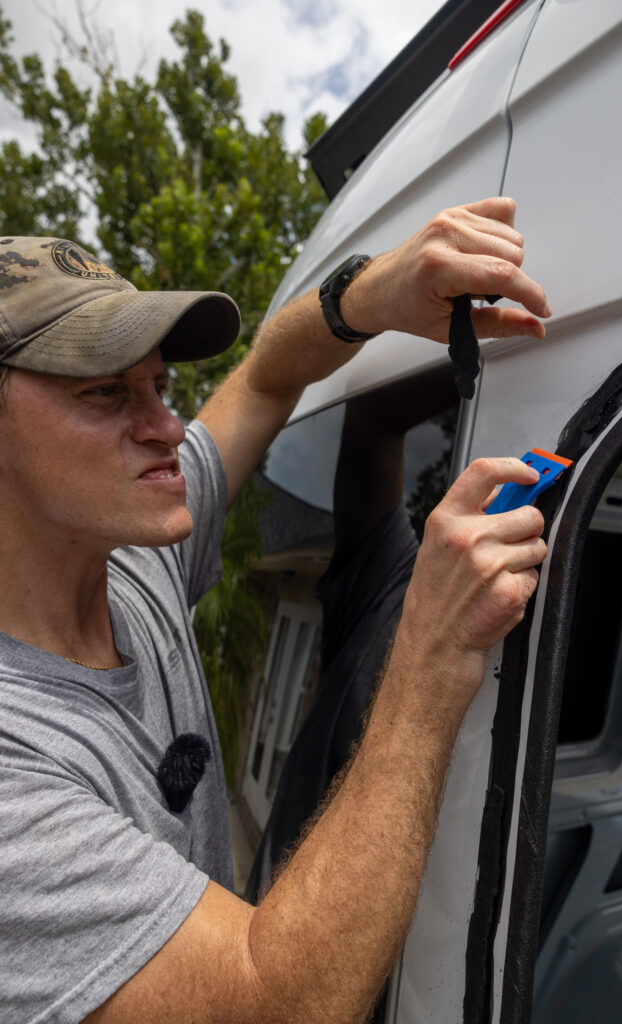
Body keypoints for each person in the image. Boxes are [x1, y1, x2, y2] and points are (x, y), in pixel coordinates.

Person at [0, 197, 551, 1024]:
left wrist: (362, 297)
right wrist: (431, 652)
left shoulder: (135, 564)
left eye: (159, 384)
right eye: (107, 393)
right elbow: (279, 1006)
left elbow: (265, 375)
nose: (166, 425)